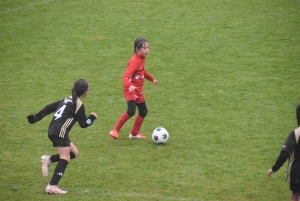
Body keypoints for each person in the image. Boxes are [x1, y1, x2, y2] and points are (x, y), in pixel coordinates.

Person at [27, 79, 98, 194]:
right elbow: (84, 124)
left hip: (54, 130)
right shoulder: (78, 105)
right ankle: (52, 185)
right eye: (88, 89)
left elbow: (49, 107)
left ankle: (49, 159)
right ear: (85, 92)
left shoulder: (65, 99)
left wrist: (36, 118)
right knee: (65, 157)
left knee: (74, 153)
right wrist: (92, 117)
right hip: (60, 131)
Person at [109, 37, 158, 140]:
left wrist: (152, 79)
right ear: (137, 49)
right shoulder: (135, 61)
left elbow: (142, 71)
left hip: (138, 90)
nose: (147, 50)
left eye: (148, 47)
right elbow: (125, 76)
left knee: (143, 111)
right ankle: (115, 130)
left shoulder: (142, 59)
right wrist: (130, 86)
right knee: (131, 111)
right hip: (130, 89)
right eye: (144, 48)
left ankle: (134, 133)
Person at [267, 125, 300, 201]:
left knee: (295, 198)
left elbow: (284, 155)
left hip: (296, 174)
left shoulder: (296, 133)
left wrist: (273, 169)